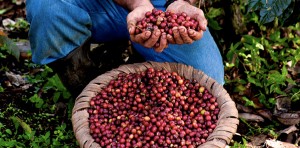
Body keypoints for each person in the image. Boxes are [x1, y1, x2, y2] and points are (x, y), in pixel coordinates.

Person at [25, 0, 224, 97]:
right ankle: (88, 91)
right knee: (48, 13)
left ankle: (133, 61)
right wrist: (138, 3)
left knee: (207, 79)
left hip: (160, 3)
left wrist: (179, 2)